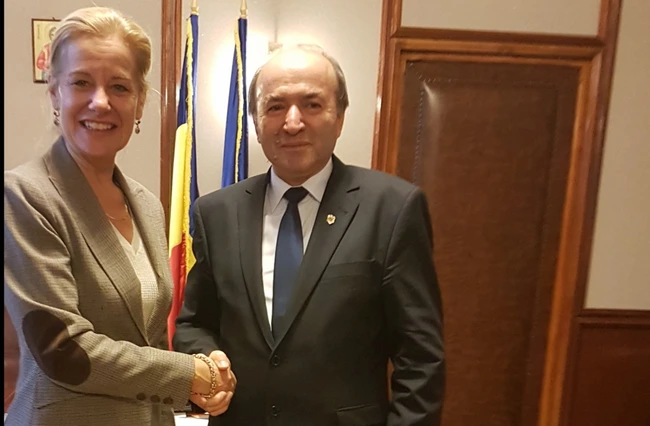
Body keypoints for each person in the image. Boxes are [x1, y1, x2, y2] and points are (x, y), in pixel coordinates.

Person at [173, 44, 445, 425]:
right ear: (255, 121)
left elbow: (420, 359)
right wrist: (208, 357)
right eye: (275, 106)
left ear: (340, 117)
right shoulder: (216, 213)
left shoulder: (392, 209)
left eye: (312, 104)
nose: (292, 122)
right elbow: (194, 323)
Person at [4, 7, 235, 426]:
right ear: (55, 94)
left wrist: (202, 379)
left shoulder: (147, 205)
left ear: (140, 101)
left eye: (119, 86)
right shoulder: (24, 196)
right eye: (81, 82)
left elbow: (147, 338)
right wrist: (190, 375)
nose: (100, 101)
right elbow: (64, 351)